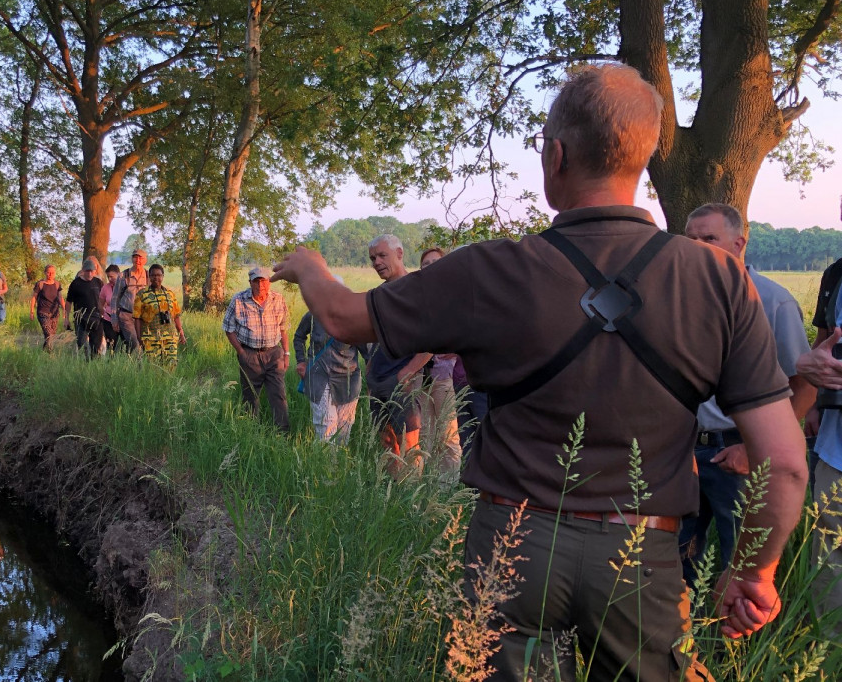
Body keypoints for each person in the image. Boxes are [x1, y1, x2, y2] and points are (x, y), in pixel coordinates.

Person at [273, 63, 807, 680]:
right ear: (646, 154)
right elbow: (786, 463)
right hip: (643, 553)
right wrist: (752, 573)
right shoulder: (719, 281)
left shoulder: (491, 270)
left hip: (513, 547)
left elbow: (342, 317)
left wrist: (311, 264)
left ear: (555, 156)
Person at [677, 203, 815, 587]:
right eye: (691, 239)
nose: (698, 247)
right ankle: (682, 639)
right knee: (677, 559)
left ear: (738, 243)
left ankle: (736, 645)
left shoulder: (773, 301)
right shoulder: (674, 300)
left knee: (742, 562)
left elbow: (803, 383)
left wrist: (754, 450)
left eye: (709, 239)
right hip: (682, 452)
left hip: (738, 453)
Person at [795, 225, 842, 634]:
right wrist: (811, 381)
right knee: (829, 561)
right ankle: (828, 657)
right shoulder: (837, 274)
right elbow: (822, 346)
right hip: (834, 447)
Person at [364, 234, 432, 473]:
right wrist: (370, 369)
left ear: (400, 253)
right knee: (386, 440)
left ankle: (412, 499)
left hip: (403, 380)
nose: (377, 262)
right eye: (373, 258)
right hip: (378, 378)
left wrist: (408, 371)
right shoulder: (378, 294)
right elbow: (374, 336)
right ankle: (392, 491)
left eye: (382, 255)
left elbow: (433, 339)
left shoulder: (417, 288)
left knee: (410, 443)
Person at [292, 280, 364, 446]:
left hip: (348, 378)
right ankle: (326, 468)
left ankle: (339, 467)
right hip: (319, 375)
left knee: (344, 427)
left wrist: (374, 373)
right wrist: (301, 362)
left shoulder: (353, 318)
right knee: (326, 426)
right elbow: (299, 337)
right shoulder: (313, 315)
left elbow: (367, 349)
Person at [223, 267, 291, 432]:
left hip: (274, 354)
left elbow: (283, 328)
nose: (261, 285)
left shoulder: (278, 299)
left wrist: (286, 353)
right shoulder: (239, 300)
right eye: (257, 281)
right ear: (250, 283)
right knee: (250, 396)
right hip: (250, 355)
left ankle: (282, 434)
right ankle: (251, 431)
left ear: (269, 282)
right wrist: (241, 352)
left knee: (279, 395)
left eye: (264, 281)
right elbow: (228, 328)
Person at [418, 247, 462, 472]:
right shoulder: (418, 296)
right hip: (420, 378)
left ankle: (448, 488)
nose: (431, 266)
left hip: (444, 377)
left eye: (436, 261)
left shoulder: (454, 296)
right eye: (426, 263)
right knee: (424, 433)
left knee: (447, 434)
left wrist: (458, 349)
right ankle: (426, 484)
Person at [133, 264, 185, 363]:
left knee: (171, 365)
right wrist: (139, 339)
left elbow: (176, 315)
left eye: (159, 275)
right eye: (153, 275)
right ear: (149, 277)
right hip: (151, 338)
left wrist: (181, 333)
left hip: (170, 336)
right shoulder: (142, 294)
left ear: (163, 276)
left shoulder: (170, 294)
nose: (156, 278)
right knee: (154, 367)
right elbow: (137, 318)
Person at [111, 248, 149, 352]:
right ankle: (138, 367)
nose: (138, 260)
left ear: (145, 260)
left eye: (140, 258)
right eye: (135, 257)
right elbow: (114, 298)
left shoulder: (149, 276)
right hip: (127, 316)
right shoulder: (123, 275)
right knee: (134, 344)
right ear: (132, 259)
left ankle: (137, 365)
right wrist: (114, 318)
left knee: (144, 344)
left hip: (143, 317)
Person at [67, 257, 104, 356]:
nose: (90, 274)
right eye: (87, 271)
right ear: (83, 271)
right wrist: (66, 317)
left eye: (92, 271)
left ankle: (94, 363)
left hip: (96, 318)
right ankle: (85, 361)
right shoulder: (75, 284)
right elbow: (69, 301)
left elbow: (104, 298)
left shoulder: (98, 282)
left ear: (95, 271)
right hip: (81, 318)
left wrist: (104, 313)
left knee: (96, 346)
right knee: (81, 344)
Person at [29, 265, 65, 352]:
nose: (50, 274)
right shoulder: (40, 284)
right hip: (43, 312)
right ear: (45, 273)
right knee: (49, 334)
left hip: (55, 313)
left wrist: (64, 309)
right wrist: (31, 311)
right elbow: (34, 297)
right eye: (48, 272)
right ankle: (50, 353)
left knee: (51, 334)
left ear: (55, 273)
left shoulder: (57, 284)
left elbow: (60, 297)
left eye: (52, 273)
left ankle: (45, 352)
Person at [100, 264, 122, 352]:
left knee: (126, 344)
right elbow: (100, 303)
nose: (109, 279)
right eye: (108, 277)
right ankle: (111, 361)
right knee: (111, 345)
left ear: (119, 275)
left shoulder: (126, 286)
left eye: (112, 277)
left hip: (123, 320)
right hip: (108, 320)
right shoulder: (105, 288)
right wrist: (103, 313)